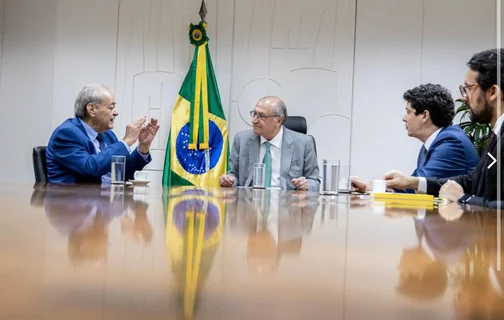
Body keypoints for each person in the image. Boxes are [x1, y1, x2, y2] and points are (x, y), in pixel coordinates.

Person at [385, 49, 504, 208]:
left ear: (493, 92)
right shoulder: (497, 133)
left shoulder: (451, 140)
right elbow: (471, 180)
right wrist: (413, 182)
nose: (464, 97)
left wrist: (463, 199)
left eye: (468, 88)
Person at [351, 83, 478, 193]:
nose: (404, 118)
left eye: (408, 112)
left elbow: (416, 188)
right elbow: (408, 186)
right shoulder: (431, 143)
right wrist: (369, 186)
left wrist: (370, 187)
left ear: (424, 115)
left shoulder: (450, 143)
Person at [46, 84, 160, 183]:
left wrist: (143, 147)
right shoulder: (67, 134)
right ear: (91, 109)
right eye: (111, 107)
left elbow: (124, 173)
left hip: (104, 202)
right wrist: (127, 141)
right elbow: (90, 168)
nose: (116, 113)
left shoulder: (107, 135)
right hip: (72, 204)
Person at [219, 96, 320, 191]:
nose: (254, 120)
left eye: (261, 116)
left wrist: (306, 185)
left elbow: (315, 182)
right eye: (254, 114)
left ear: (278, 120)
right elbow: (234, 174)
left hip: (287, 204)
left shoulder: (304, 143)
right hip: (249, 202)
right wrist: (229, 180)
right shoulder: (241, 140)